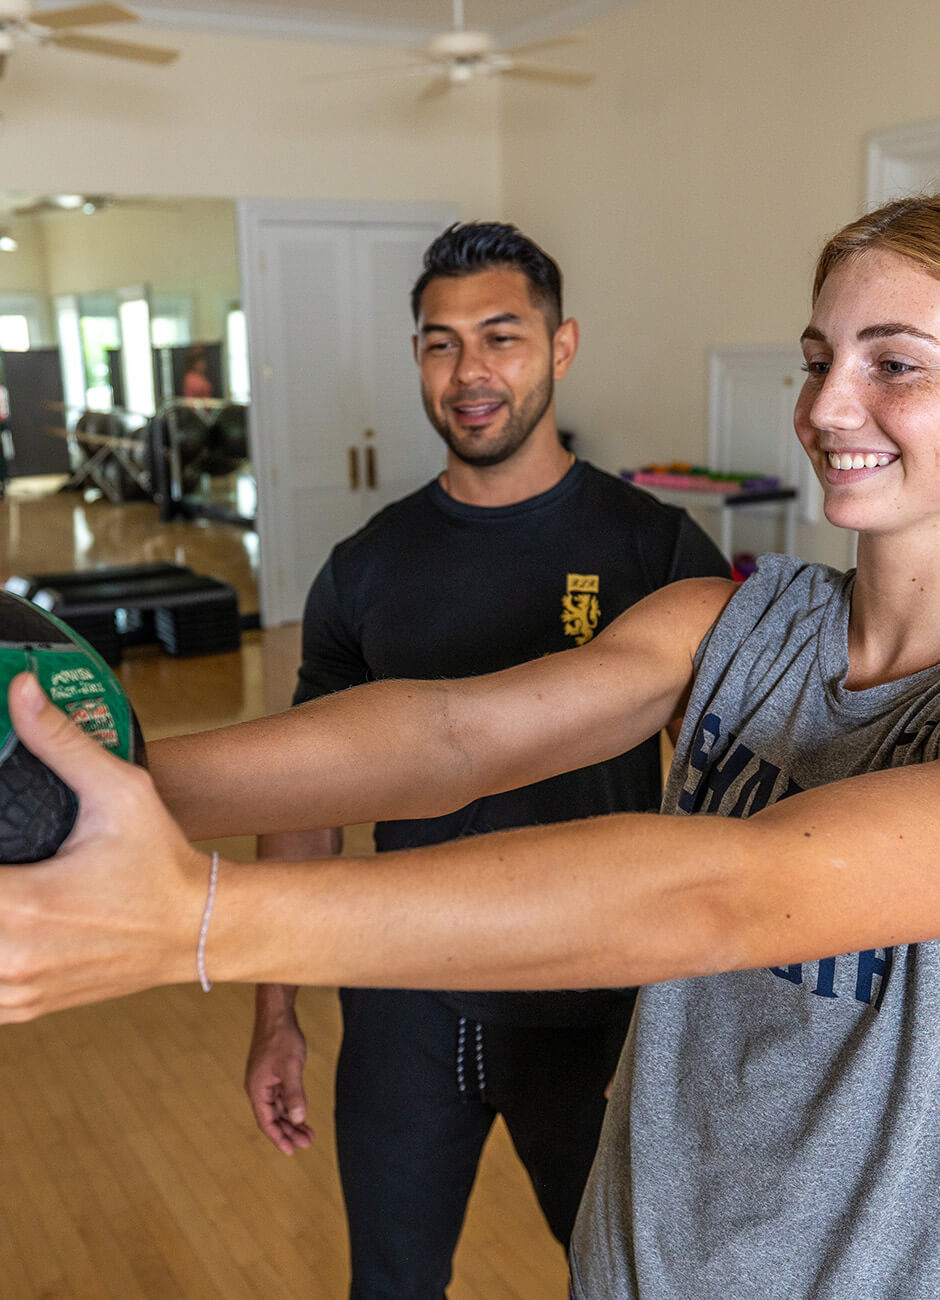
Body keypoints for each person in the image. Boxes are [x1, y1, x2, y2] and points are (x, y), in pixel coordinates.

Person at [6, 193, 940, 1296]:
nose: (827, 404)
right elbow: (455, 732)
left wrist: (193, 921)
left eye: (895, 365)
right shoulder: (737, 620)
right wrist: (73, 780)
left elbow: (718, 895)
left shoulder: (666, 559)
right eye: (817, 357)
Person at [243, 221, 729, 1298]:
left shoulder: (651, 548)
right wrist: (276, 1012)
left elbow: (715, 800)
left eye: (500, 337)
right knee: (392, 1284)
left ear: (559, 348)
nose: (468, 373)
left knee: (623, 1280)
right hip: (400, 999)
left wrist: (692, 1027)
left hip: (588, 1002)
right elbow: (307, 791)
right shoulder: (362, 568)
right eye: (438, 342)